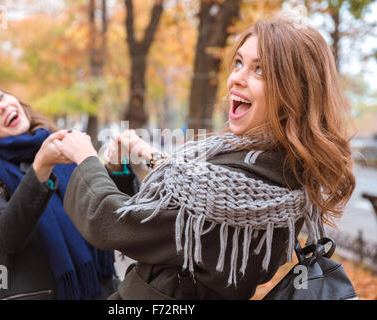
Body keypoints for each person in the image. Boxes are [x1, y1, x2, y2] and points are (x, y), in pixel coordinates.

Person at [54, 16, 356, 299]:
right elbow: (168, 218)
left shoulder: (237, 184)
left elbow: (111, 222)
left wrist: (85, 159)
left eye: (259, 70)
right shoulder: (283, 171)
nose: (236, 78)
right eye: (238, 63)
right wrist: (132, 161)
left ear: (294, 91)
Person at [0, 84, 136, 300]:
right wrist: (41, 167)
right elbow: (5, 236)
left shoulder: (60, 143)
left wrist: (117, 168)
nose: (0, 107)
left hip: (103, 290)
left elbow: (114, 214)